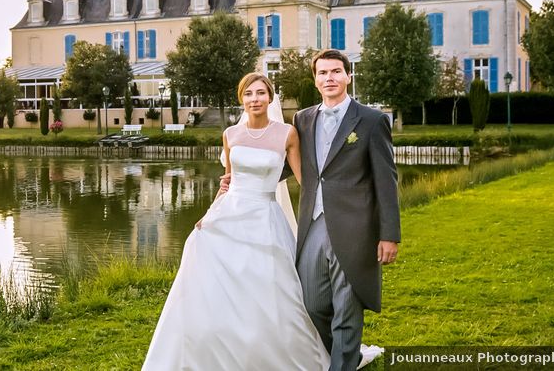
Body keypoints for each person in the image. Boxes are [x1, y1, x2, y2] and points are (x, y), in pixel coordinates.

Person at [142, 73, 330, 370]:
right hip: (230, 215)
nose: (255, 99)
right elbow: (227, 182)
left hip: (265, 218)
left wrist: (323, 214)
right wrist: (208, 214)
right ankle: (210, 346)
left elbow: (306, 181)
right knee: (200, 253)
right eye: (248, 94)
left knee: (271, 288)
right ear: (241, 99)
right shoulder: (231, 135)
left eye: (260, 93)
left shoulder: (287, 133)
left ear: (270, 97)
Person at [291, 49, 400, 370]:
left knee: (347, 308)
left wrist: (389, 234)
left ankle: (342, 364)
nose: (330, 78)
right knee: (312, 304)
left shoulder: (371, 120)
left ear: (348, 76)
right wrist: (238, 173)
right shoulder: (303, 119)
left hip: (355, 228)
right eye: (323, 73)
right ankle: (344, 355)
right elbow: (287, 161)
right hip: (312, 224)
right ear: (315, 80)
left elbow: (386, 181)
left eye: (336, 72)